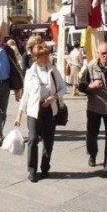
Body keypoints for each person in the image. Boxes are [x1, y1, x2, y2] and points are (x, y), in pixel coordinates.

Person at [14, 43, 67, 182]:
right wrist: (19, 115)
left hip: (50, 109)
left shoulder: (53, 70)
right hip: (33, 110)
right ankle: (32, 170)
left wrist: (53, 97)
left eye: (46, 55)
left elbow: (63, 88)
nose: (45, 58)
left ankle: (45, 167)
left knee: (48, 141)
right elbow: (26, 94)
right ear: (35, 57)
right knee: (32, 139)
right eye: (42, 56)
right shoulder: (30, 73)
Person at [78, 42, 107, 183]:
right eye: (103, 53)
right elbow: (82, 87)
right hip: (95, 107)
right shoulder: (90, 67)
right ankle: (92, 153)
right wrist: (92, 86)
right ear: (98, 54)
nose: (106, 56)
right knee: (92, 135)